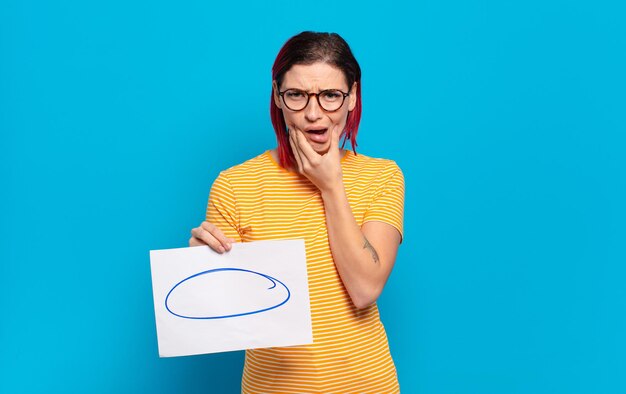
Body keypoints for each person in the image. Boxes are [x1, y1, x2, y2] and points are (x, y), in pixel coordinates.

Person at [189, 31, 405, 393]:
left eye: (331, 96)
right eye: (296, 95)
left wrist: (331, 186)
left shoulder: (381, 177)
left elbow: (365, 288)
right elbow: (225, 316)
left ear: (352, 97)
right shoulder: (234, 185)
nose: (313, 113)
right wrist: (204, 270)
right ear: (277, 96)